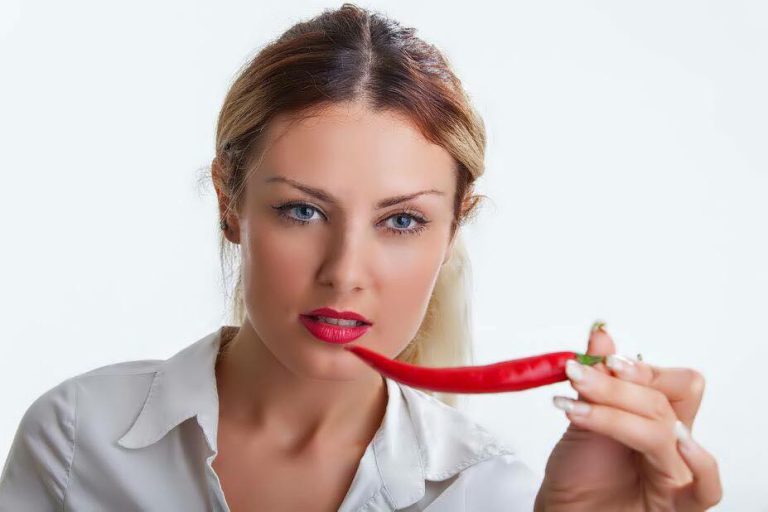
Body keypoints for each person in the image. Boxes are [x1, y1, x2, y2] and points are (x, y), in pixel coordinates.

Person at [0, 3, 722, 511]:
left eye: (402, 220)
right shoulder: (77, 438)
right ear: (229, 203)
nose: (344, 272)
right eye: (302, 210)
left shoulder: (490, 494)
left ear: (453, 230)